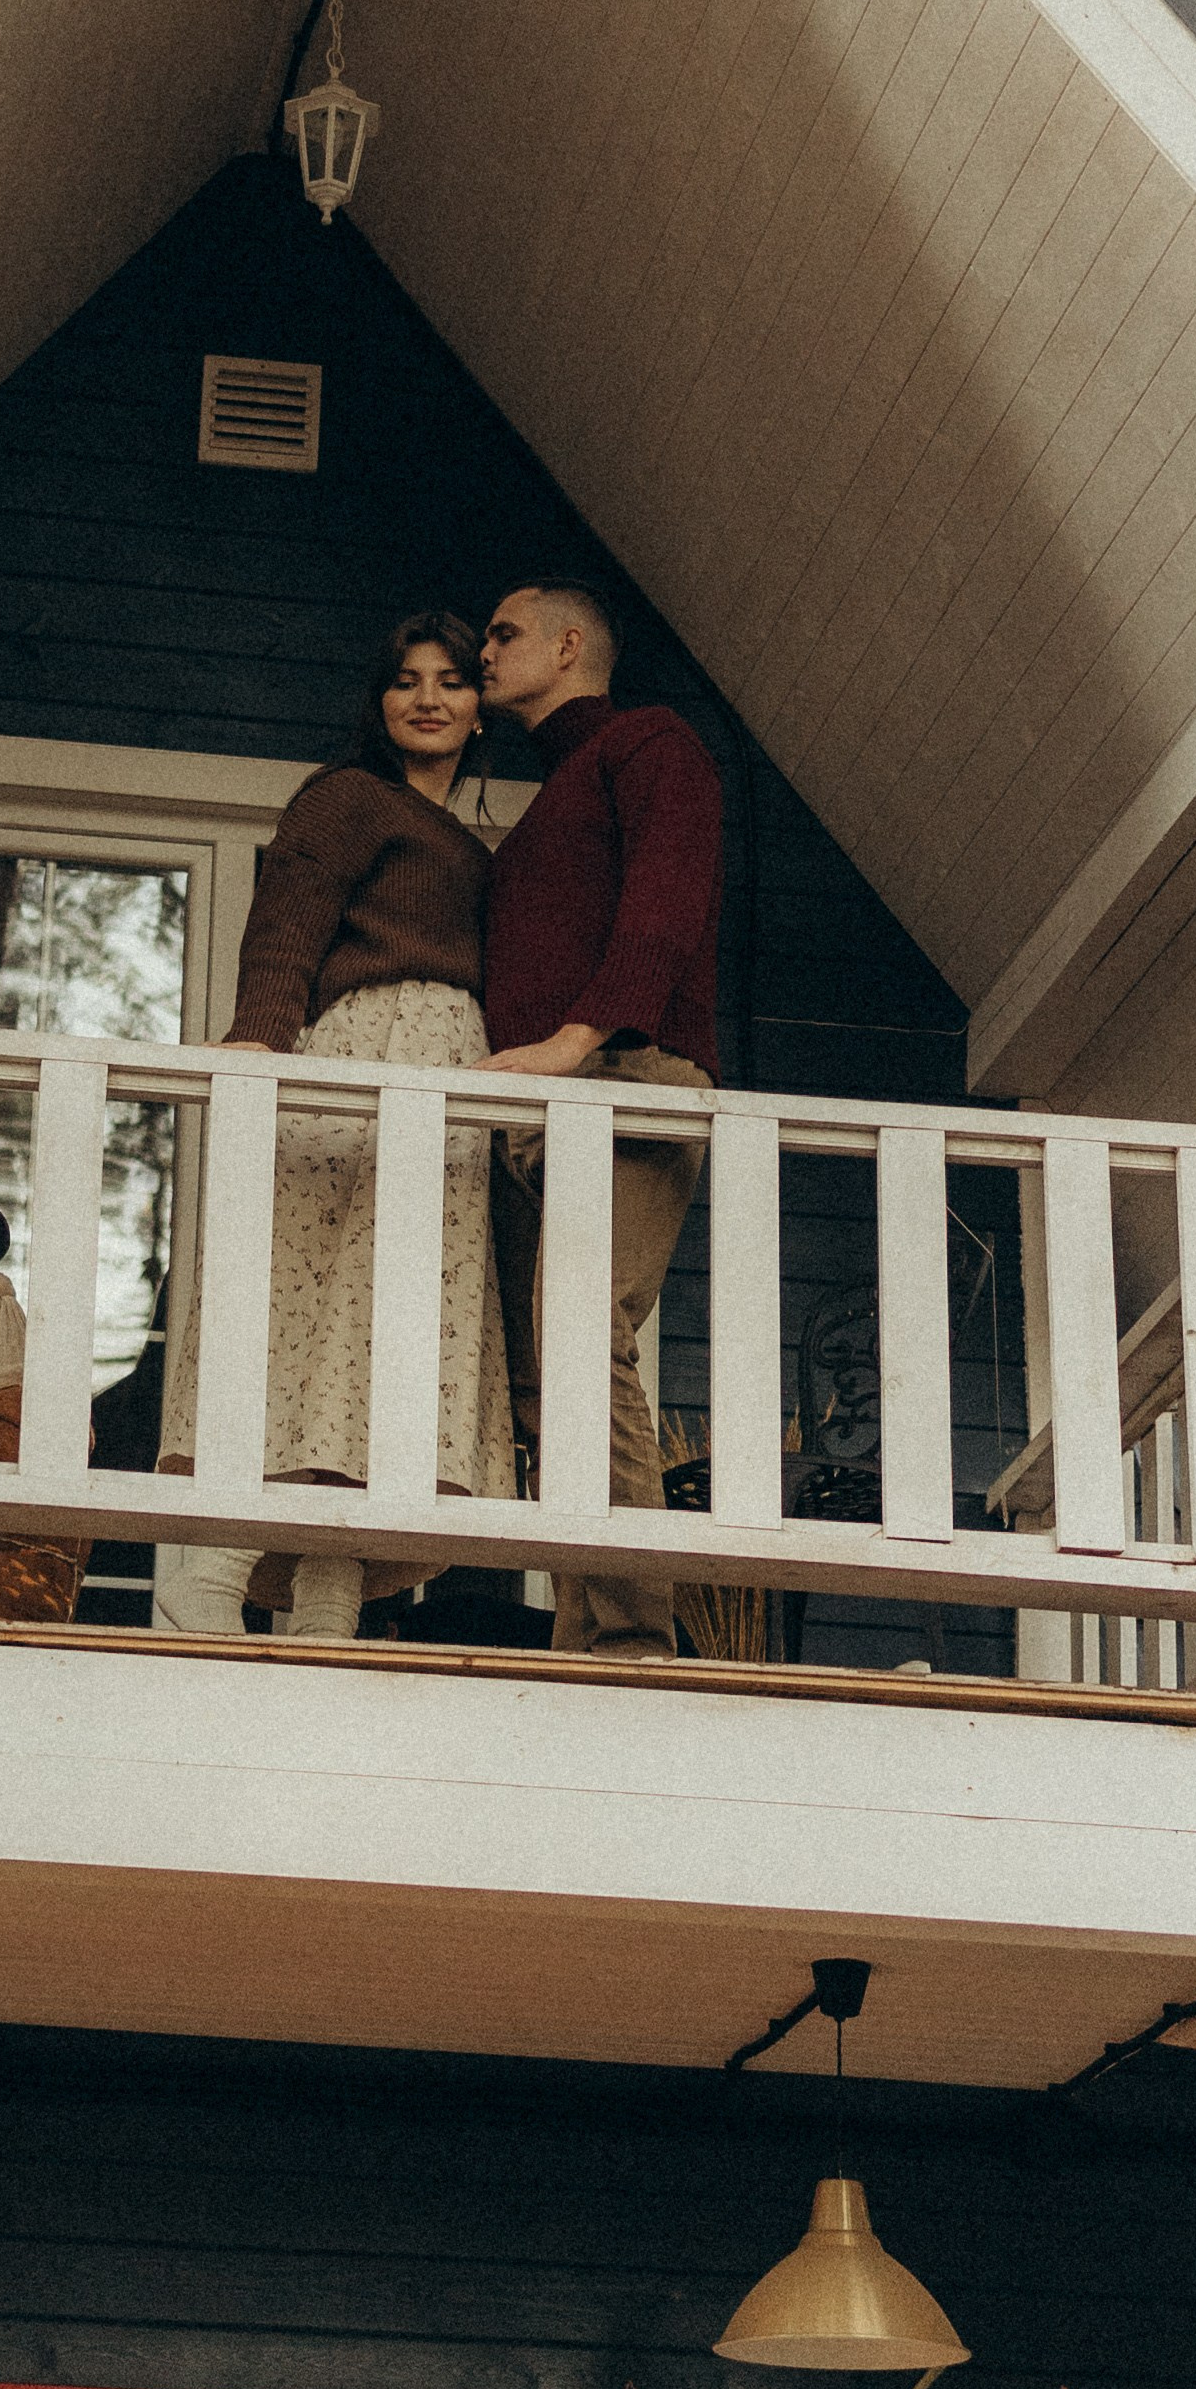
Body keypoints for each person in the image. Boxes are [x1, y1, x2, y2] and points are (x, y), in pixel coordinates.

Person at [153, 612, 516, 1639]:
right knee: (303, 1315)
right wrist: (259, 1043)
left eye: (451, 680)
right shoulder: (348, 798)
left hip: (444, 1080)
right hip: (366, 1052)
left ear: (481, 708)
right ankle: (211, 1577)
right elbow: (286, 925)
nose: (430, 697)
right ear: (380, 700)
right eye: (406, 680)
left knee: (381, 1331)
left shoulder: (471, 845)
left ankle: (325, 1614)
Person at [479, 578, 724, 1661]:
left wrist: (580, 1041)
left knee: (582, 1340)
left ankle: (627, 1641)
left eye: (503, 634)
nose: (484, 653)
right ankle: (589, 1636)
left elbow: (665, 902)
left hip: (630, 1080)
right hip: (554, 1116)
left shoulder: (648, 744)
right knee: (552, 1368)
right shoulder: (553, 795)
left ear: (570, 645)